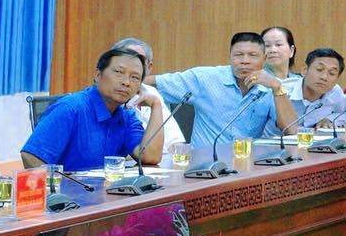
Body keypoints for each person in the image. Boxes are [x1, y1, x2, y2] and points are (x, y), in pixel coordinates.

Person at [21, 46, 166, 172]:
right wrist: (59, 187)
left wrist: (156, 105)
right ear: (97, 75)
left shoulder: (126, 117)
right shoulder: (70, 108)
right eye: (118, 72)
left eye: (135, 78)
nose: (126, 82)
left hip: (106, 192)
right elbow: (31, 156)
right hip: (72, 194)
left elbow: (150, 157)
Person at [154, 32, 295, 145]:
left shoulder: (270, 87)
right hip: (204, 164)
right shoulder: (205, 78)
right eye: (238, 55)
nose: (245, 61)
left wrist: (277, 88)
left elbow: (291, 129)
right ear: (230, 57)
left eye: (253, 55)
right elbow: (154, 83)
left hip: (245, 164)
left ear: (264, 58)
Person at [110, 36, 186, 146]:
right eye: (127, 60)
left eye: (139, 62)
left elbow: (175, 142)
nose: (133, 66)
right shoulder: (108, 97)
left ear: (149, 67)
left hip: (161, 157)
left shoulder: (151, 92)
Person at [270, 47, 346, 134]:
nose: (324, 77)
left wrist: (329, 119)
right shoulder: (281, 91)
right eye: (319, 69)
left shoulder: (335, 92)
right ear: (304, 70)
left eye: (332, 73)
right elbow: (288, 130)